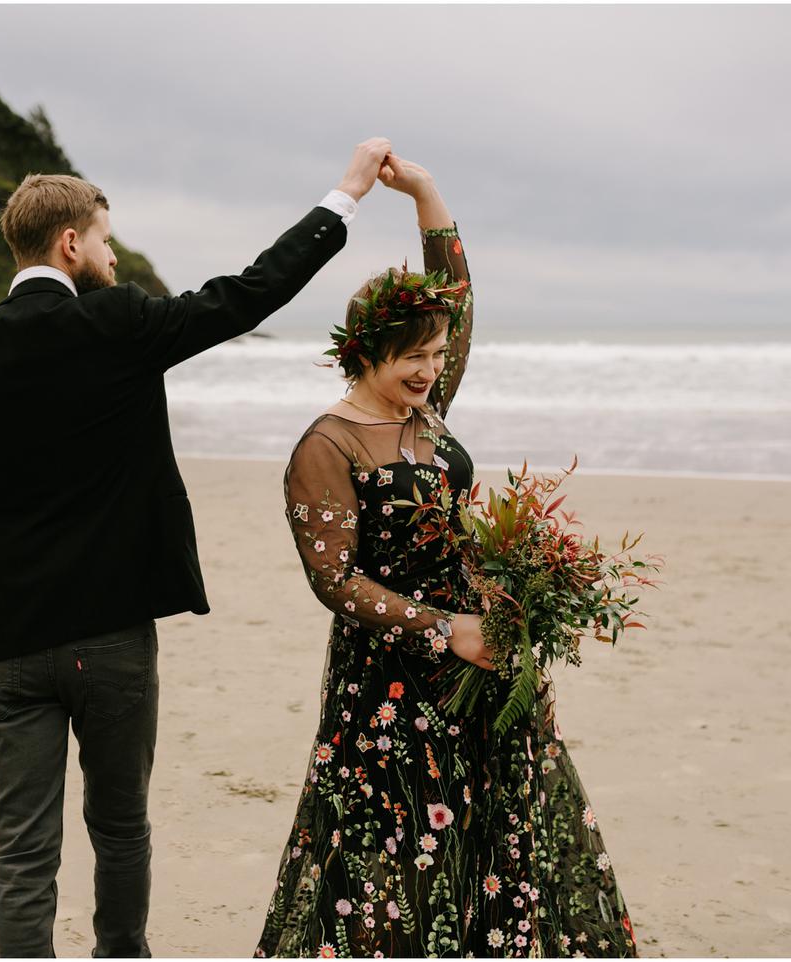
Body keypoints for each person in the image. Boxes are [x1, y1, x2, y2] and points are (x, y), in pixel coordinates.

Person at [0, 137, 395, 958]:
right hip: (113, 634)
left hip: (8, 638)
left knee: (23, 846)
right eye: (107, 240)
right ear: (71, 243)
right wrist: (346, 195)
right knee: (120, 828)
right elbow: (247, 294)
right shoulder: (120, 323)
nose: (115, 257)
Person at [255, 155, 638, 958]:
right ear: (365, 353)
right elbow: (336, 581)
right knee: (392, 850)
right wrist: (443, 629)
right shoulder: (326, 446)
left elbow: (456, 302)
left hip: (482, 661)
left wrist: (425, 194)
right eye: (414, 357)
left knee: (494, 834)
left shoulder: (427, 413)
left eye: (437, 354)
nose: (431, 369)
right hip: (389, 680)